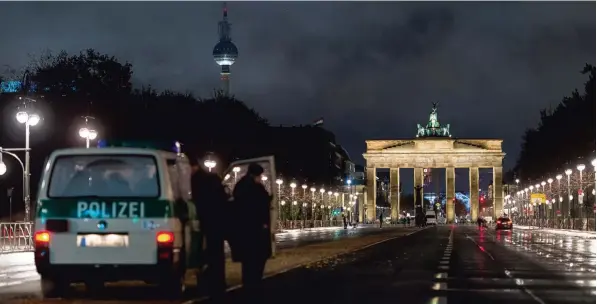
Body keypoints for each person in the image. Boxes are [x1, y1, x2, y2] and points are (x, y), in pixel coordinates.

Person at [232, 163, 272, 302]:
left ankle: (248, 288)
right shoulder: (256, 189)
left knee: (247, 263)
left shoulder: (240, 186)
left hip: (243, 233)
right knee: (256, 262)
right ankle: (254, 290)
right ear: (256, 175)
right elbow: (262, 207)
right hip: (256, 232)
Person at [190, 156, 228, 300]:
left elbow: (198, 203)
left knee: (206, 256)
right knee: (217, 256)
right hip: (218, 223)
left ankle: (208, 286)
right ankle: (219, 284)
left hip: (206, 223)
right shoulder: (213, 179)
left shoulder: (197, 181)